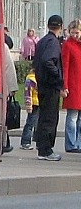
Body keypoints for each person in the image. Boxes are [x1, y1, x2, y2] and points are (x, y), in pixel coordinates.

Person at [32, 14, 67, 161]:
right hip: (50, 85)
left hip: (42, 84)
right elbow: (48, 61)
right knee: (50, 118)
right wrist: (59, 76)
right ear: (61, 26)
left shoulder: (42, 41)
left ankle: (41, 147)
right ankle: (46, 149)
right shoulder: (53, 43)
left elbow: (38, 61)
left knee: (43, 116)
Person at [61, 19, 81, 153]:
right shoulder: (68, 45)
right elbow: (65, 66)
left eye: (77, 33)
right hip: (73, 84)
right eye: (73, 32)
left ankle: (78, 143)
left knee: (79, 118)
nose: (75, 35)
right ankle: (71, 144)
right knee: (72, 116)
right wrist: (65, 85)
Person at [1, 41, 17, 154]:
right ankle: (4, 143)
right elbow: (9, 69)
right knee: (2, 118)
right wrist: (12, 88)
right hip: (1, 89)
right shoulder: (3, 47)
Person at [19, 69, 40, 150]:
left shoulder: (38, 78)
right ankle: (25, 142)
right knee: (30, 123)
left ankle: (38, 141)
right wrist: (28, 105)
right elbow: (27, 93)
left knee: (38, 124)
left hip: (39, 103)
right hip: (34, 104)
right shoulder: (31, 80)